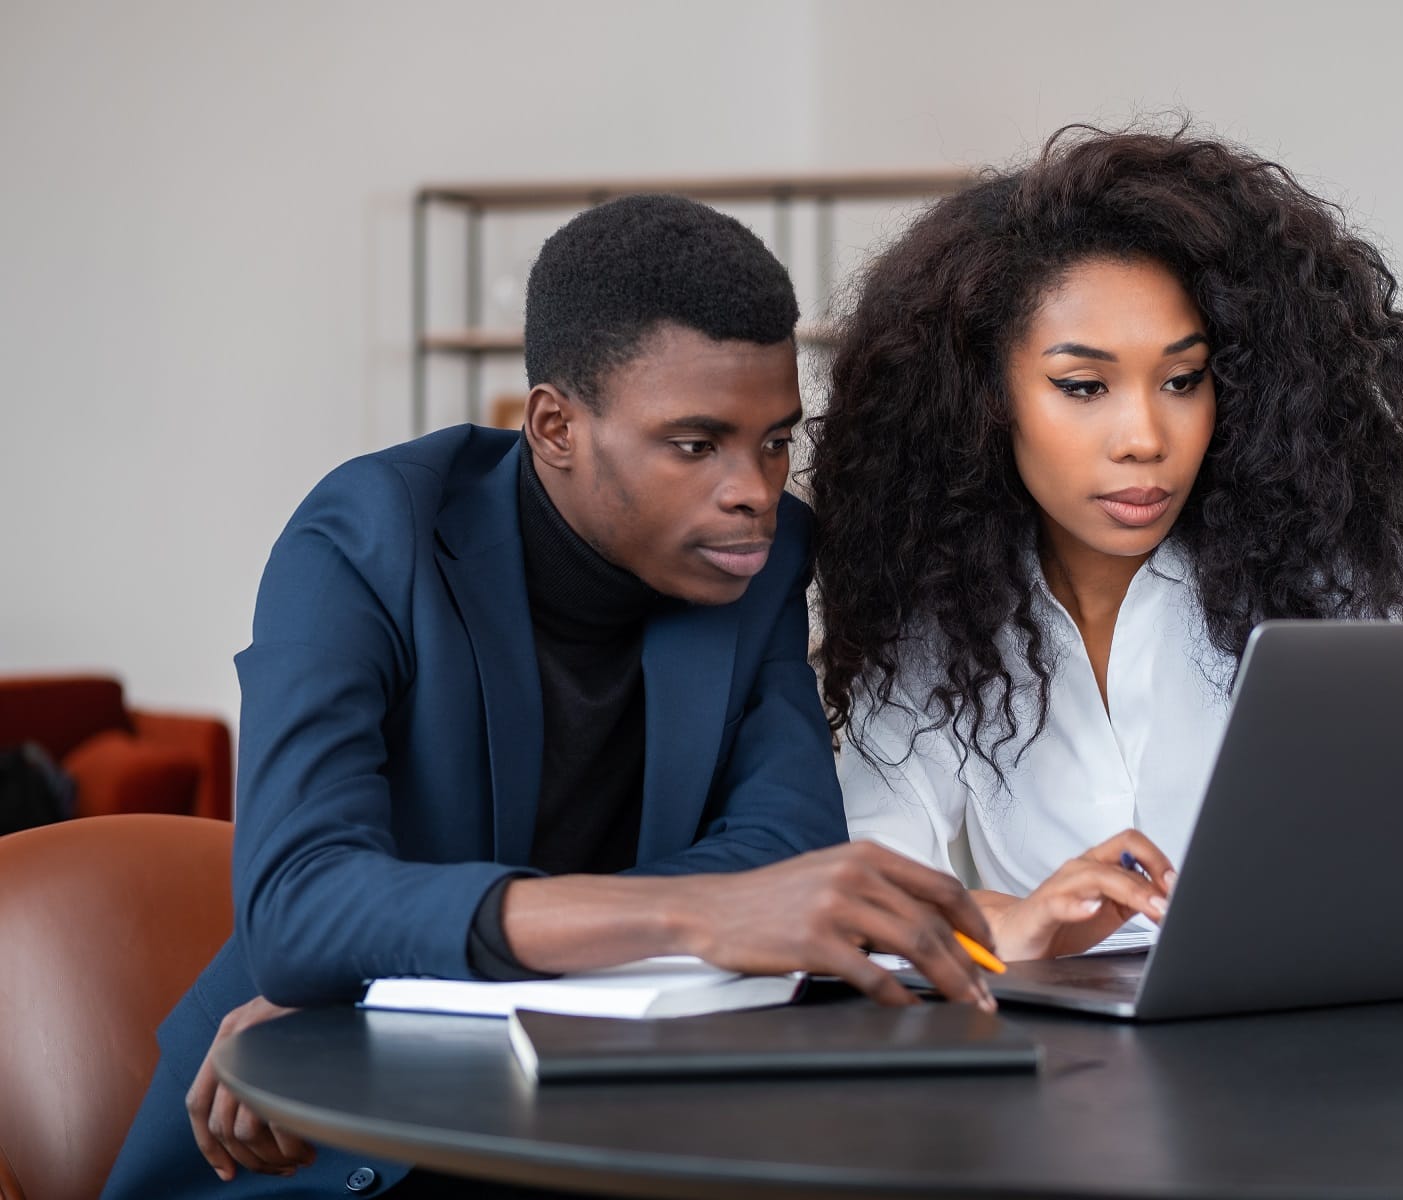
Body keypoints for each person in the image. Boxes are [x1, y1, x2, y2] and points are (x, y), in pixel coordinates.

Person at [104, 195, 995, 1200]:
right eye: (696, 444)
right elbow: (300, 907)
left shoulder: (759, 558)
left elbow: (782, 848)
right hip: (304, 1147)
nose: (753, 487)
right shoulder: (366, 539)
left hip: (572, 1114)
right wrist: (695, 913)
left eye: (776, 439)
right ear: (555, 425)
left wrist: (400, 997)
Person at [808, 124, 1403, 963]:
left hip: (1336, 1074)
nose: (1144, 436)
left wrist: (1377, 922)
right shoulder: (942, 628)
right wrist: (1018, 925)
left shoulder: (1347, 585)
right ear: (981, 398)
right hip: (1076, 1086)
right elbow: (863, 900)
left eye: (1184, 380)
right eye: (1083, 386)